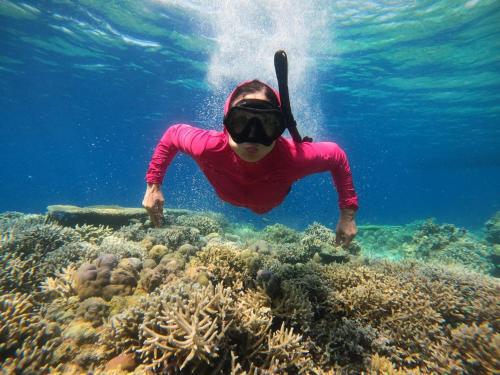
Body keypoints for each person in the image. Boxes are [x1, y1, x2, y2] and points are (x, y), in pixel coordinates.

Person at [142, 79, 359, 246]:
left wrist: (347, 216)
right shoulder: (208, 147)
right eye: (241, 122)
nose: (252, 137)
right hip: (244, 196)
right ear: (227, 122)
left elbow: (337, 156)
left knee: (260, 211)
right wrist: (153, 185)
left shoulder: (294, 158)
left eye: (266, 124)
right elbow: (172, 135)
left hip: (266, 203)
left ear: (279, 127)